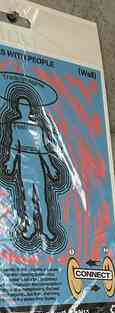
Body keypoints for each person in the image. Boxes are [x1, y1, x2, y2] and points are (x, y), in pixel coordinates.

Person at [2, 96, 62, 243]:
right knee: (27, 198)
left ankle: (46, 229)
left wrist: (51, 168)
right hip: (23, 165)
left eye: (26, 106)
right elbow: (13, 147)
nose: (24, 109)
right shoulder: (15, 125)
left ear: (29, 109)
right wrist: (10, 164)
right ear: (18, 109)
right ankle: (30, 228)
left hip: (36, 163)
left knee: (42, 197)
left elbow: (42, 149)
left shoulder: (37, 127)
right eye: (21, 106)